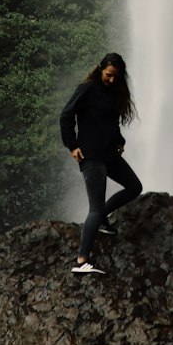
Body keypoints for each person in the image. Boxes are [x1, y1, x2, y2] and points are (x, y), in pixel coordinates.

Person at [59, 52, 142, 274]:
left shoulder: (113, 94)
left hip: (108, 154)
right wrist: (72, 145)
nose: (112, 80)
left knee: (135, 187)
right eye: (109, 75)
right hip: (90, 156)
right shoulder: (87, 89)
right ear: (100, 69)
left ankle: (102, 219)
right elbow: (66, 116)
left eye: (116, 76)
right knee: (95, 206)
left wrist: (119, 141)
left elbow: (109, 124)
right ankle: (81, 261)